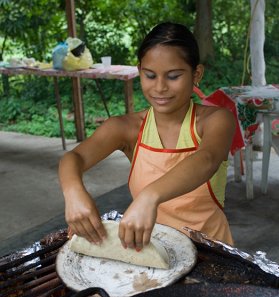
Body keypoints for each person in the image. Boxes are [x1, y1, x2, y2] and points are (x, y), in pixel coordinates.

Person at [58, 21, 235, 251]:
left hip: (211, 255)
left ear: (196, 74)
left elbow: (207, 159)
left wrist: (149, 196)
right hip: (154, 254)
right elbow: (73, 159)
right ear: (139, 71)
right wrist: (73, 192)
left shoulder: (216, 120)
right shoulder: (127, 128)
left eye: (173, 76)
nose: (160, 87)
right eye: (150, 75)